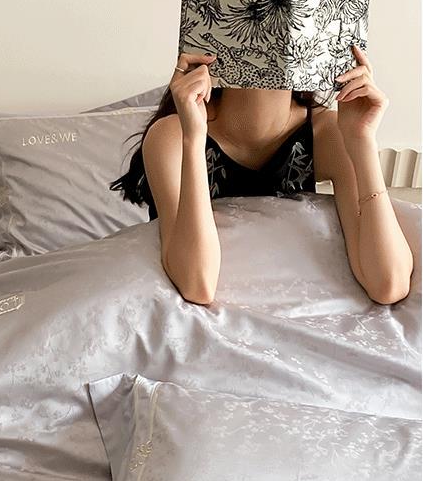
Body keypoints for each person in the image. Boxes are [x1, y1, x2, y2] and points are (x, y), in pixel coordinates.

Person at [110, 44, 414, 307]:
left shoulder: (328, 132)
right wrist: (194, 136)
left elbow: (389, 284)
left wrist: (362, 141)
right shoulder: (172, 136)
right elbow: (197, 284)